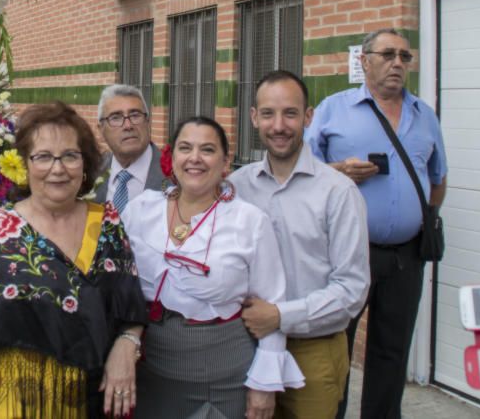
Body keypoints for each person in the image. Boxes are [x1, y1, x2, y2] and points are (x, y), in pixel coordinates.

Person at [0, 101, 148, 418]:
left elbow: (129, 306)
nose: (58, 168)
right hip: (1, 404)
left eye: (70, 156)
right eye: (44, 157)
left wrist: (127, 343)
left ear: (85, 163)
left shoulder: (106, 223)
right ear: (25, 163)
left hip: (86, 401)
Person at [305, 29, 448, 419]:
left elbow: (438, 180)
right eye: (388, 54)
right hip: (346, 254)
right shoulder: (334, 109)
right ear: (364, 61)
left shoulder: (424, 115)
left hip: (406, 256)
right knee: (335, 348)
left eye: (405, 56)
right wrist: (339, 171)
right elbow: (301, 172)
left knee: (392, 350)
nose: (397, 63)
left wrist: (414, 218)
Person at [123, 116, 304, 419]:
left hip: (224, 373)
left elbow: (272, 305)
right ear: (172, 156)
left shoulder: (249, 221)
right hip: (151, 368)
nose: (194, 158)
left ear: (225, 161)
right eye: (185, 148)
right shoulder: (140, 210)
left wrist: (264, 385)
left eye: (207, 150)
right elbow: (118, 287)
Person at [230, 71, 370, 418]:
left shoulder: (338, 192)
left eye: (290, 113)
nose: (279, 125)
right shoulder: (236, 187)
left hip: (313, 352)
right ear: (253, 117)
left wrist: (280, 317)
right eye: (268, 114)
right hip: (245, 347)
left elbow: (352, 288)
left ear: (308, 117)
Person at [93, 84, 166, 213]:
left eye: (135, 115)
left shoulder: (176, 175)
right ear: (101, 130)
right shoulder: (91, 173)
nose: (128, 125)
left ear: (148, 122)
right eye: (116, 117)